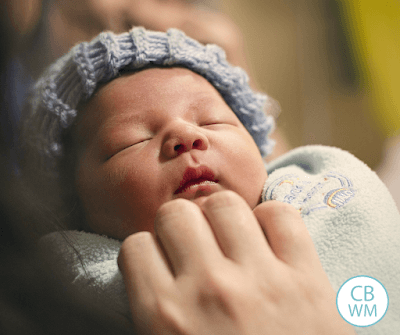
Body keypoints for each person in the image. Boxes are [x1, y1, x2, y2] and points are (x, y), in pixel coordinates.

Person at [20, 27, 399, 334]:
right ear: (71, 205)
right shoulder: (70, 281)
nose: (186, 136)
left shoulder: (312, 191)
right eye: (129, 141)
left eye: (212, 121)